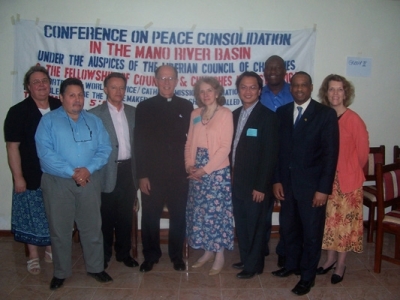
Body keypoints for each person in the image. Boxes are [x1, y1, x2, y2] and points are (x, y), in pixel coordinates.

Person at [35, 78, 113, 290]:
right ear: (61, 98)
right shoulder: (49, 121)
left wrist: (88, 169)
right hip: (58, 182)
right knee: (60, 230)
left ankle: (96, 268)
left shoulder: (94, 121)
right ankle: (61, 272)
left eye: (80, 95)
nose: (77, 99)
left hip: (89, 180)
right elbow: (45, 153)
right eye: (72, 95)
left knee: (92, 227)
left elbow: (105, 148)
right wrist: (72, 172)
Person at [271, 71, 339, 296]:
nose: (299, 89)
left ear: (310, 87)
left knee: (311, 234)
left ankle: (307, 277)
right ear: (291, 88)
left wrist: (323, 189)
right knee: (288, 230)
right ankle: (291, 265)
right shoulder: (281, 113)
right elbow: (278, 153)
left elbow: (330, 155)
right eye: (295, 85)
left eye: (304, 85)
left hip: (312, 189)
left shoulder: (325, 114)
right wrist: (277, 180)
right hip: (287, 186)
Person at [135, 65, 193, 272]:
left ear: (177, 81)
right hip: (152, 175)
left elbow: (192, 140)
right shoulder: (144, 107)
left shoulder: (187, 106)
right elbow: (139, 143)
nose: (167, 82)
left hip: (179, 174)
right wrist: (141, 175)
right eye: (162, 78)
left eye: (171, 78)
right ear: (155, 81)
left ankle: (176, 256)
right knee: (150, 216)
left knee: (179, 216)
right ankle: (151, 255)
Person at [4, 65, 60, 275]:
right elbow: (12, 147)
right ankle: (33, 256)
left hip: (56, 174)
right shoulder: (18, 111)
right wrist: (18, 177)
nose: (41, 85)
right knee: (31, 215)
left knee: (53, 213)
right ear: (28, 87)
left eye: (44, 80)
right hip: (29, 174)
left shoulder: (59, 106)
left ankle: (50, 249)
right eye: (35, 82)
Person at [316, 74, 369, 284]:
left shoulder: (353, 119)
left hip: (348, 182)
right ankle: (329, 259)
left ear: (345, 93)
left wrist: (349, 170)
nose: (335, 93)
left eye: (339, 89)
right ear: (325, 93)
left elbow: (363, 154)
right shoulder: (324, 116)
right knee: (329, 223)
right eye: (331, 89)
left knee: (344, 226)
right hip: (326, 180)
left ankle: (341, 264)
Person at [230, 72, 279, 279]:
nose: (247, 91)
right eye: (243, 87)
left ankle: (253, 265)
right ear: (238, 90)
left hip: (257, 185)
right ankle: (247, 258)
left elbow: (270, 155)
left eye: (252, 87)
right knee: (242, 224)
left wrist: (261, 186)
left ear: (260, 91)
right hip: (238, 182)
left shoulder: (268, 117)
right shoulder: (234, 114)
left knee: (257, 226)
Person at [185, 76, 234, 276]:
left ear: (217, 92)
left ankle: (219, 254)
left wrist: (205, 169)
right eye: (201, 91)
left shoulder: (225, 114)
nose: (205, 95)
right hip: (196, 169)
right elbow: (189, 144)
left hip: (217, 171)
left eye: (209, 90)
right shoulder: (195, 113)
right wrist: (189, 166)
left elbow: (225, 148)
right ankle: (207, 253)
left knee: (217, 215)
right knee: (201, 213)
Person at [89, 72, 138, 270]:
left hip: (129, 171)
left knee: (126, 215)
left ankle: (123, 253)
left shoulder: (134, 112)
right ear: (105, 89)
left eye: (122, 88)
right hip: (105, 172)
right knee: (105, 217)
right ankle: (104, 255)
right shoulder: (94, 115)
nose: (118, 91)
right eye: (114, 87)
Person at [260, 55, 294, 266]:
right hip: (263, 160)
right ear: (264, 72)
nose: (273, 70)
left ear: (284, 71)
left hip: (287, 161)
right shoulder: (257, 93)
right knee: (262, 209)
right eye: (269, 67)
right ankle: (260, 248)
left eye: (277, 67)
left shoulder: (294, 92)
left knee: (288, 212)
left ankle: (285, 251)